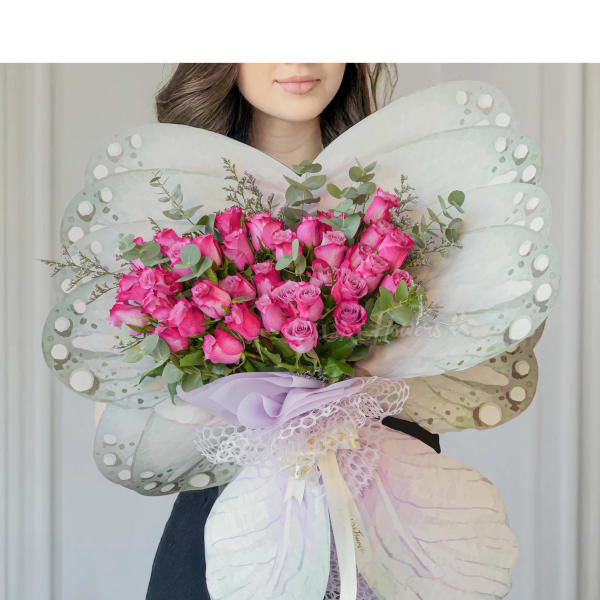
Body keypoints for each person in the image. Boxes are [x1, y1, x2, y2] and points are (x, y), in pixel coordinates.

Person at [145, 62, 440, 599]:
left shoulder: (414, 195)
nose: (300, 57)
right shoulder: (173, 210)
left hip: (394, 531)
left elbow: (456, 377)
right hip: (228, 548)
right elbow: (126, 410)